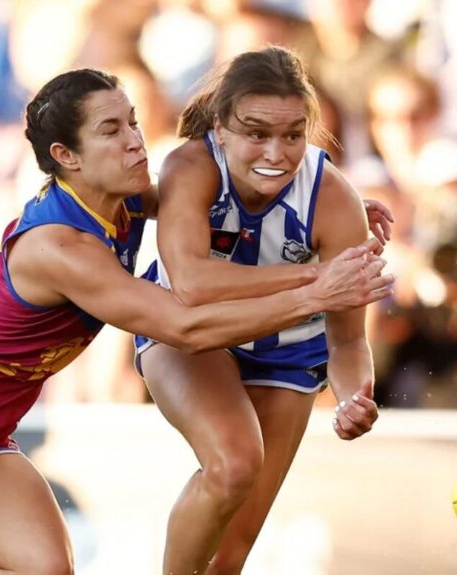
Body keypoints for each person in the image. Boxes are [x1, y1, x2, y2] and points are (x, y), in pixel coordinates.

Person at [0, 64, 394, 574]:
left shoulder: (125, 196)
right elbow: (184, 325)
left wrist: (322, 205)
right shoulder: (60, 247)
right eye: (112, 130)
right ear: (66, 157)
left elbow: (222, 192)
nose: (136, 140)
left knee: (44, 568)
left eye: (133, 121)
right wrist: (319, 286)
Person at [134, 46, 386, 575]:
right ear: (221, 128)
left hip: (289, 350)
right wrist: (318, 276)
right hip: (195, 334)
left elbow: (347, 341)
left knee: (231, 554)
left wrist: (354, 396)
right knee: (233, 463)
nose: (276, 152)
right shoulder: (190, 165)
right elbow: (195, 284)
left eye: (293, 135)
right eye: (256, 133)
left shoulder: (335, 197)